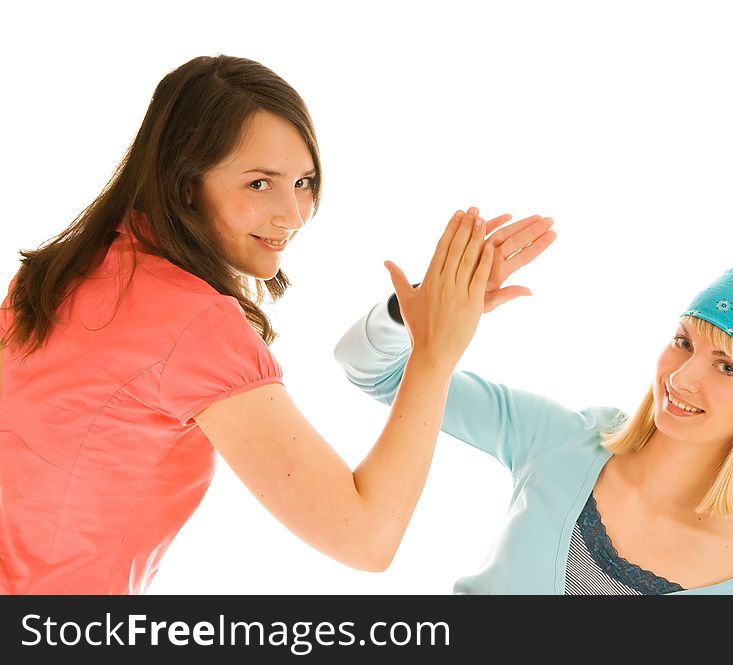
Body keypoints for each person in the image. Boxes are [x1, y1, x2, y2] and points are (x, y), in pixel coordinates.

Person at [0, 54, 554, 594]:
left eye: (304, 182)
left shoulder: (67, 270)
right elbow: (365, 537)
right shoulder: (194, 325)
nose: (292, 214)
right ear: (184, 182)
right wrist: (435, 352)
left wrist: (423, 313)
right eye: (260, 183)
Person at [334, 266, 733, 594]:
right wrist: (424, 307)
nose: (682, 377)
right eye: (683, 342)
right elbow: (374, 370)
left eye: (726, 367)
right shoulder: (561, 442)